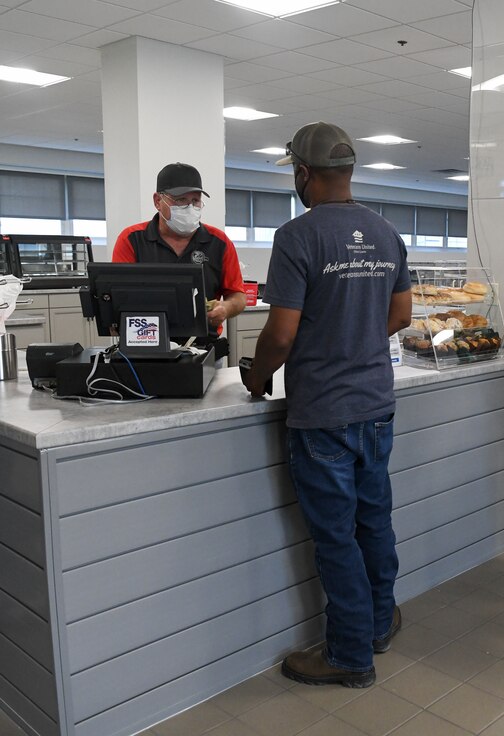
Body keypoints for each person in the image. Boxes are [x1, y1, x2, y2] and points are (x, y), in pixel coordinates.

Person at [243, 122, 412, 687]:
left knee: (336, 536)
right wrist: (358, 339)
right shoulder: (387, 232)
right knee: (374, 521)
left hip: (323, 413)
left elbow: (281, 334)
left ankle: (347, 654)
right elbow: (403, 315)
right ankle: (379, 623)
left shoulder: (297, 237)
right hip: (375, 404)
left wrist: (259, 376)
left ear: (303, 173)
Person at [113, 163, 246, 356]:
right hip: (145, 347)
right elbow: (118, 296)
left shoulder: (219, 242)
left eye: (195, 201)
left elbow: (238, 296)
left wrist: (225, 308)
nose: (189, 208)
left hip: (203, 350)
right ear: (158, 201)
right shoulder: (132, 240)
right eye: (180, 200)